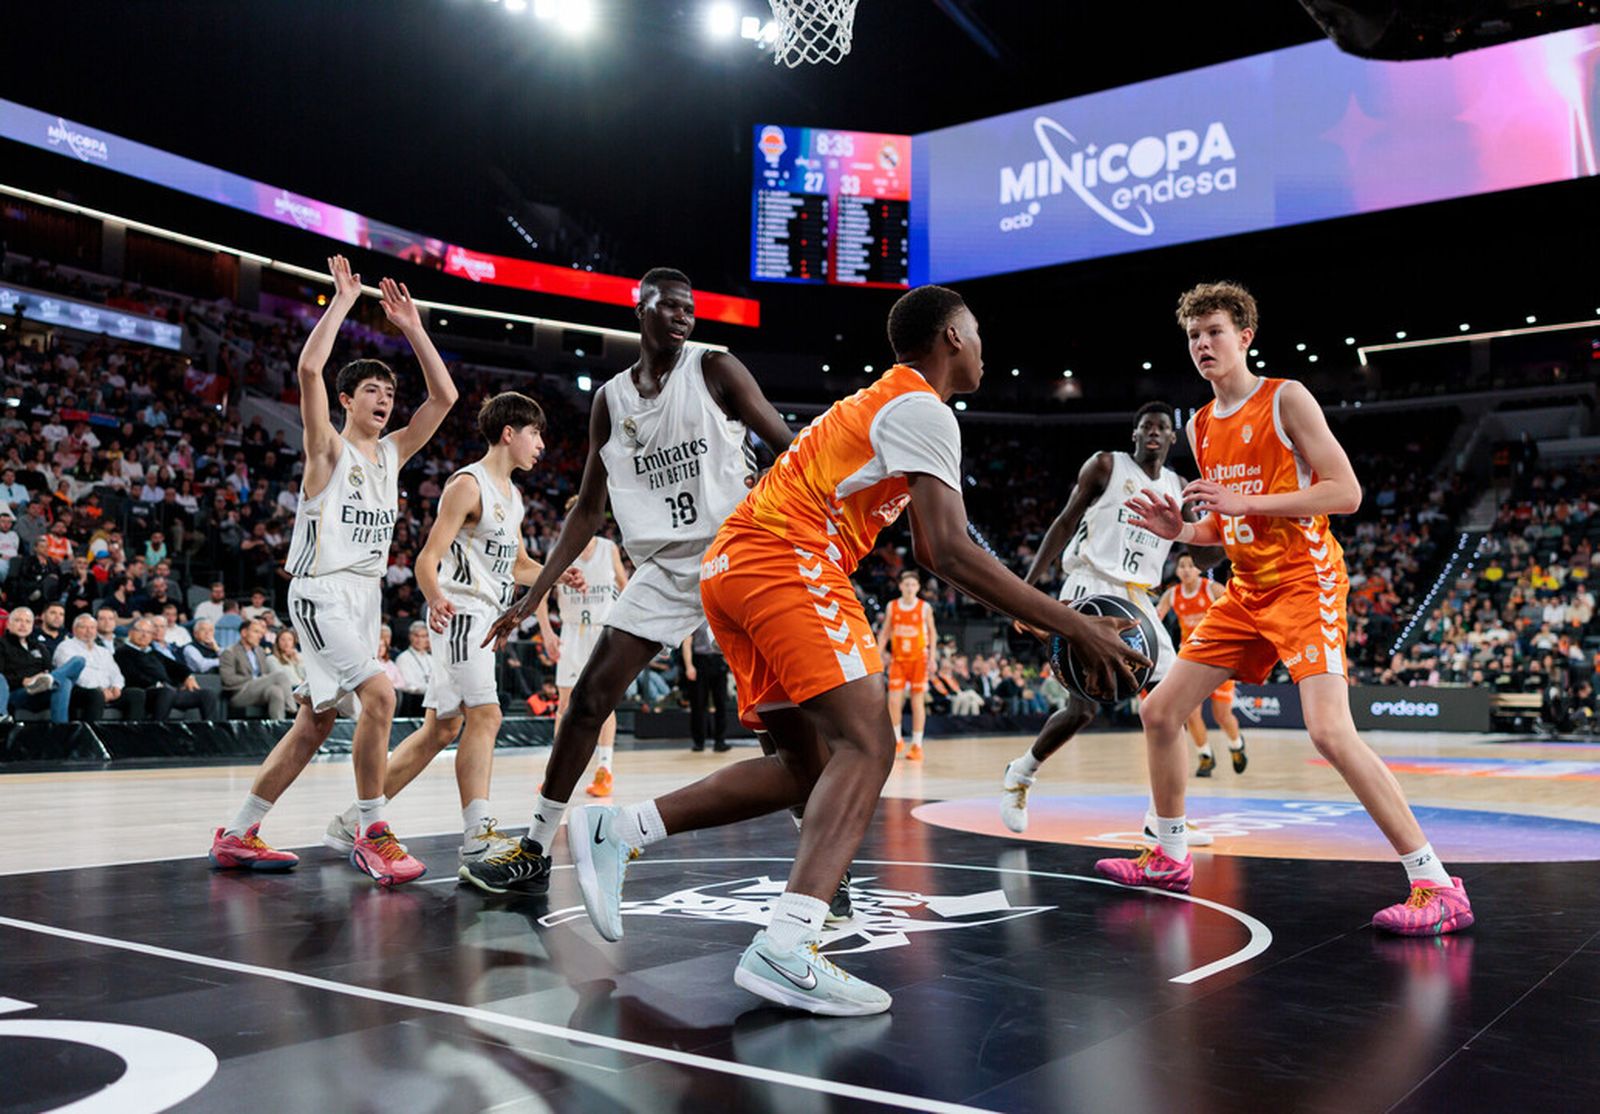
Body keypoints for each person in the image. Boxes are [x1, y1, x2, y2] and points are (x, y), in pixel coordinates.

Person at [550, 284, 1146, 1015]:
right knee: (869, 743)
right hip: (785, 560)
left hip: (729, 569)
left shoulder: (880, 402)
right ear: (953, 335)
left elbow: (942, 549)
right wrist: (1074, 624)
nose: (986, 349)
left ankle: (621, 829)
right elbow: (944, 549)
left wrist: (1029, 611)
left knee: (808, 766)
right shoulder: (923, 407)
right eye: (979, 332)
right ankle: (787, 945)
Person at [1101, 280, 1474, 936]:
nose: (1203, 346)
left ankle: (1437, 885)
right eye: (1193, 336)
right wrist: (1181, 532)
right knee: (1160, 709)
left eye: (1215, 332)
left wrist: (1249, 503)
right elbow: (1224, 526)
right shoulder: (1198, 424)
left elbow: (1347, 492)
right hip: (1245, 591)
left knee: (1329, 732)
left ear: (1245, 336)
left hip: (1306, 583)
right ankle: (1169, 854)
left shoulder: (1286, 399)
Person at [466, 267, 794, 894]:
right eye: (670, 306)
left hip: (738, 555)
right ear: (640, 308)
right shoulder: (610, 399)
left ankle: (824, 872)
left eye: (690, 308)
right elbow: (589, 510)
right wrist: (533, 594)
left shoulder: (716, 367)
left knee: (777, 728)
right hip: (665, 566)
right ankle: (536, 846)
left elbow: (785, 442)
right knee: (589, 697)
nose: (683, 317)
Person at [210, 257, 457, 885]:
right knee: (381, 694)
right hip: (320, 592)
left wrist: (412, 326)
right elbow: (309, 368)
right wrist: (345, 299)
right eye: (372, 390)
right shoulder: (327, 449)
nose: (384, 399)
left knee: (314, 725)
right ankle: (371, 830)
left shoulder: (395, 452)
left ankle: (238, 833)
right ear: (347, 401)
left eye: (389, 392)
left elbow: (445, 398)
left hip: (363, 596)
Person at [323, 392, 581, 887]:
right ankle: (477, 835)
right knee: (488, 715)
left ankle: (351, 821)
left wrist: (557, 572)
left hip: (482, 615)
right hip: (462, 614)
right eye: (535, 434)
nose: (541, 445)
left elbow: (520, 566)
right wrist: (437, 597)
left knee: (441, 730)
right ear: (510, 433)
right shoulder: (468, 484)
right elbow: (426, 558)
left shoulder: (514, 495)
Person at [998, 402, 1215, 842]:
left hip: (1139, 601)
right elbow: (1063, 522)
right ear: (1134, 433)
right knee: (1084, 708)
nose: (1153, 432)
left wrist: (1235, 522)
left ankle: (1163, 818)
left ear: (1173, 438)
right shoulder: (1105, 465)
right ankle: (1022, 773)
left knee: (1173, 704)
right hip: (1089, 589)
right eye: (1146, 426)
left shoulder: (1179, 487)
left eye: (1162, 428)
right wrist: (1025, 591)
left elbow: (1208, 556)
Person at [536, 497, 628, 794]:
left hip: (603, 631)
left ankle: (604, 771)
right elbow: (538, 595)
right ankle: (557, 772)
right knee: (564, 706)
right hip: (572, 631)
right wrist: (547, 631)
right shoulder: (560, 550)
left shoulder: (608, 548)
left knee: (603, 703)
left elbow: (626, 588)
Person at [1157, 552, 1248, 776]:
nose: (1186, 569)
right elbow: (1156, 617)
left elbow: (1237, 611)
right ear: (1177, 571)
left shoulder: (1212, 589)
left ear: (1198, 568)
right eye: (1182, 566)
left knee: (1222, 715)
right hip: (1191, 659)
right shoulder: (1171, 594)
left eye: (1190, 565)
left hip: (1219, 657)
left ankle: (1236, 745)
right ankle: (1205, 756)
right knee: (1190, 712)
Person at [877, 568, 937, 761]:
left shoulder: (924, 607)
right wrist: (878, 653)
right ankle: (897, 740)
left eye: (913, 584)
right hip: (898, 658)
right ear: (901, 586)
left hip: (919, 659)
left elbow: (933, 633)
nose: (910, 587)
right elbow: (885, 632)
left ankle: (917, 745)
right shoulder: (892, 606)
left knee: (917, 701)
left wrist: (933, 657)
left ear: (918, 587)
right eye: (907, 584)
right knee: (893, 700)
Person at [114, 616, 219, 721]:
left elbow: (174, 666)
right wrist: (159, 684)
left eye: (148, 632)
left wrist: (188, 676)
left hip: (168, 691)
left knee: (207, 694)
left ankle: (211, 733)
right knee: (166, 692)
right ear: (130, 633)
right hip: (146, 693)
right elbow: (132, 676)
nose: (144, 635)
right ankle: (158, 731)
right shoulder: (122, 652)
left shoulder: (152, 652)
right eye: (140, 631)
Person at [54, 613, 145, 722]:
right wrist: (101, 690)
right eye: (83, 627)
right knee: (95, 695)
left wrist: (116, 687)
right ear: (74, 630)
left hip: (106, 692)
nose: (89, 631)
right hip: (79, 691)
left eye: (92, 628)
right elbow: (75, 675)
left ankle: (130, 735)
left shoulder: (103, 651)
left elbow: (116, 673)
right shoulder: (66, 647)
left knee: (137, 694)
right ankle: (91, 736)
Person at [0, 606, 83, 723]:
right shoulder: (2, 644)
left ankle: (50, 679)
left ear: (32, 626)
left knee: (78, 661)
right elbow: (1, 678)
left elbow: (48, 669)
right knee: (64, 682)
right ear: (8, 624)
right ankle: (62, 731)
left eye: (27, 621)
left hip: (42, 690)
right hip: (19, 692)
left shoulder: (40, 647)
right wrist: (24, 681)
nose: (23, 625)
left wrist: (46, 676)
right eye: (18, 620)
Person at [220, 619, 296, 719]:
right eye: (256, 632)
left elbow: (264, 674)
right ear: (244, 633)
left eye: (261, 633)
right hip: (239, 693)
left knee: (276, 691)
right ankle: (294, 711)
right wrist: (253, 679)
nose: (260, 636)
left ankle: (279, 728)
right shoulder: (230, 652)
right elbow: (228, 680)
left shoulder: (260, 651)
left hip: (259, 690)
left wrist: (260, 680)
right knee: (280, 676)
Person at [681, 621, 729, 754]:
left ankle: (720, 741)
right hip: (700, 661)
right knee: (698, 703)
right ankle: (699, 742)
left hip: (717, 661)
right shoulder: (696, 619)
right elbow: (687, 642)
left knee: (720, 703)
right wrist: (689, 666)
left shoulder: (717, 617)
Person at [393, 621, 432, 717]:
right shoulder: (403, 658)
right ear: (410, 637)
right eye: (416, 636)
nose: (419, 640)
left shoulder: (431, 658)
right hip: (413, 703)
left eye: (423, 636)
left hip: (430, 700)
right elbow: (408, 685)